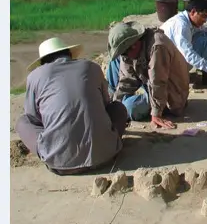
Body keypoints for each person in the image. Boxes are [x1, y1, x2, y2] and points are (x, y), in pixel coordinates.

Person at [15, 37, 127, 175]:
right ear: (69, 54)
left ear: (43, 62)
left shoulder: (35, 76)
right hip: (106, 156)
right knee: (119, 108)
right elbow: (106, 104)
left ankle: (56, 148)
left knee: (23, 122)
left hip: (60, 164)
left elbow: (33, 117)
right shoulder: (91, 67)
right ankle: (106, 142)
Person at [107, 21, 190, 128]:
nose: (125, 57)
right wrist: (115, 103)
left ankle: (130, 106)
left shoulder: (158, 46)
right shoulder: (131, 51)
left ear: (134, 45)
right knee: (114, 62)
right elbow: (127, 80)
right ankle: (110, 103)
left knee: (130, 108)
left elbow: (158, 82)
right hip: (148, 80)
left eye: (125, 53)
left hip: (170, 94)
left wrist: (156, 114)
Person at [160, 0, 207, 86]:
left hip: (173, 58)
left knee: (202, 36)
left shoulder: (190, 20)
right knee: (202, 42)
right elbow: (187, 54)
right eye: (204, 16)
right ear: (193, 12)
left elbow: (206, 30)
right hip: (166, 68)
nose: (205, 20)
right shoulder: (181, 25)